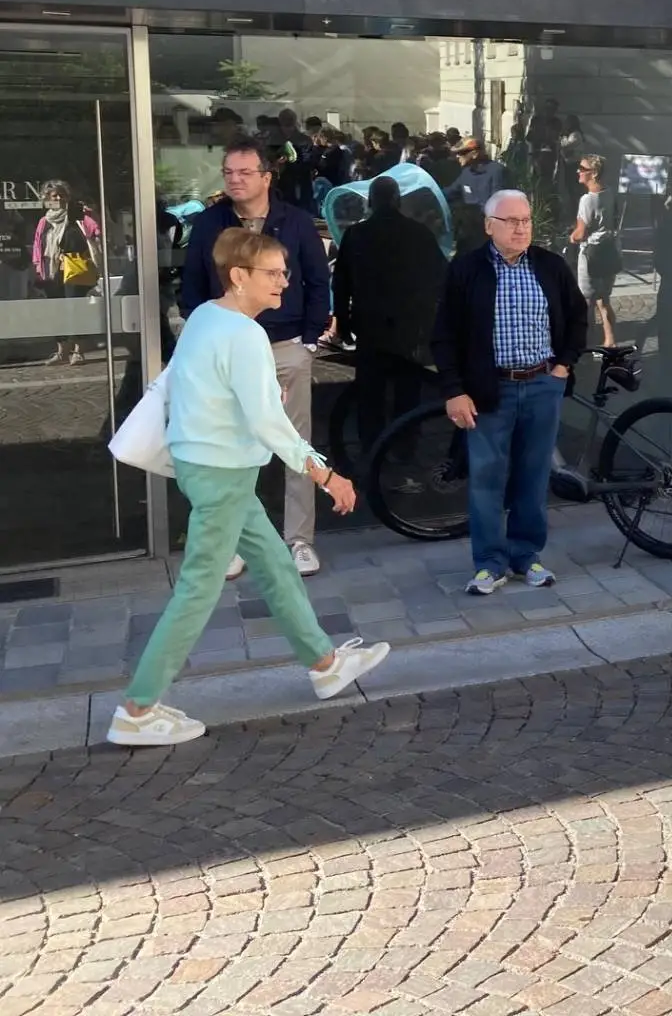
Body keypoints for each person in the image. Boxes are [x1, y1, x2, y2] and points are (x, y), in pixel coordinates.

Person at [108, 228, 389, 746]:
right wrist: (326, 474)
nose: (285, 281)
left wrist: (259, 397)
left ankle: (325, 663)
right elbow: (268, 424)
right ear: (239, 277)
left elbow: (206, 389)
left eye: (286, 271)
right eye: (273, 273)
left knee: (275, 564)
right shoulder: (243, 333)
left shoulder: (205, 318)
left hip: (209, 469)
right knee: (197, 588)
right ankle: (137, 709)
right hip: (222, 475)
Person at [179, 138, 331, 579]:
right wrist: (198, 329)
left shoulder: (296, 222)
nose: (234, 180)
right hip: (227, 349)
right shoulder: (211, 223)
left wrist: (309, 340)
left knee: (293, 441)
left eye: (244, 172)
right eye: (228, 172)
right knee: (229, 447)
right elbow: (192, 282)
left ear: (266, 177)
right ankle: (233, 540)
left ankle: (299, 540)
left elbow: (319, 283)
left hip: (284, 346)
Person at [431, 189, 588, 596]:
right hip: (488, 390)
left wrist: (562, 366)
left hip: (542, 385)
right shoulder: (467, 270)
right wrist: (454, 390)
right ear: (489, 226)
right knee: (486, 479)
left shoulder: (550, 266)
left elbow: (576, 316)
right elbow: (443, 334)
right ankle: (489, 564)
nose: (521, 228)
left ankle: (526, 557)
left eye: (526, 220)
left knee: (533, 477)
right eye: (511, 221)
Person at [333, 176, 448, 472]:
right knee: (407, 393)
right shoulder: (419, 233)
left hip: (369, 326)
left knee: (369, 394)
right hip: (411, 327)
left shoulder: (356, 235)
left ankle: (372, 452)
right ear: (398, 200)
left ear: (370, 201)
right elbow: (440, 278)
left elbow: (341, 283)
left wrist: (342, 322)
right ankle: (404, 450)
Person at [31, 180, 103, 366]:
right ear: (47, 199)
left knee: (75, 309)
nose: (58, 198)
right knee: (57, 310)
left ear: (68, 197)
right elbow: (38, 245)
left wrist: (89, 213)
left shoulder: (77, 216)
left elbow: (98, 231)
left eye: (61, 195)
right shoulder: (44, 221)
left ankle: (78, 351)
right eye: (54, 195)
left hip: (75, 269)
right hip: (51, 270)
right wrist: (38, 268)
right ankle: (61, 351)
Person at [571, 154, 620, 349]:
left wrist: (571, 237)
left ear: (594, 173)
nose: (578, 171)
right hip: (608, 249)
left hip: (591, 253)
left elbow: (580, 233)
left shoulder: (587, 200)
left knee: (585, 300)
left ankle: (583, 342)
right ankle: (610, 340)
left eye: (582, 169)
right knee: (603, 299)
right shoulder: (610, 192)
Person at [447, 138, 509, 209]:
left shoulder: (497, 171)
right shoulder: (466, 172)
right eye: (457, 153)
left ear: (475, 154)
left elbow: (498, 204)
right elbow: (450, 192)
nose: (457, 156)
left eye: (462, 153)